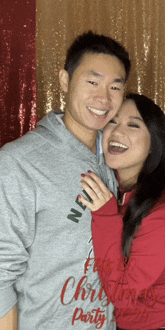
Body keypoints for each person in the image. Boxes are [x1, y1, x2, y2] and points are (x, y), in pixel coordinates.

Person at [0, 31, 130, 329]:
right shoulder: (18, 162)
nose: (104, 97)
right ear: (64, 81)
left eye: (115, 86)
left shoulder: (114, 159)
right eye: (92, 81)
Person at [78, 94, 165, 330]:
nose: (117, 132)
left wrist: (105, 216)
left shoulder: (163, 212)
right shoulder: (115, 186)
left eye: (133, 125)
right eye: (112, 121)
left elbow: (123, 295)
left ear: (154, 142)